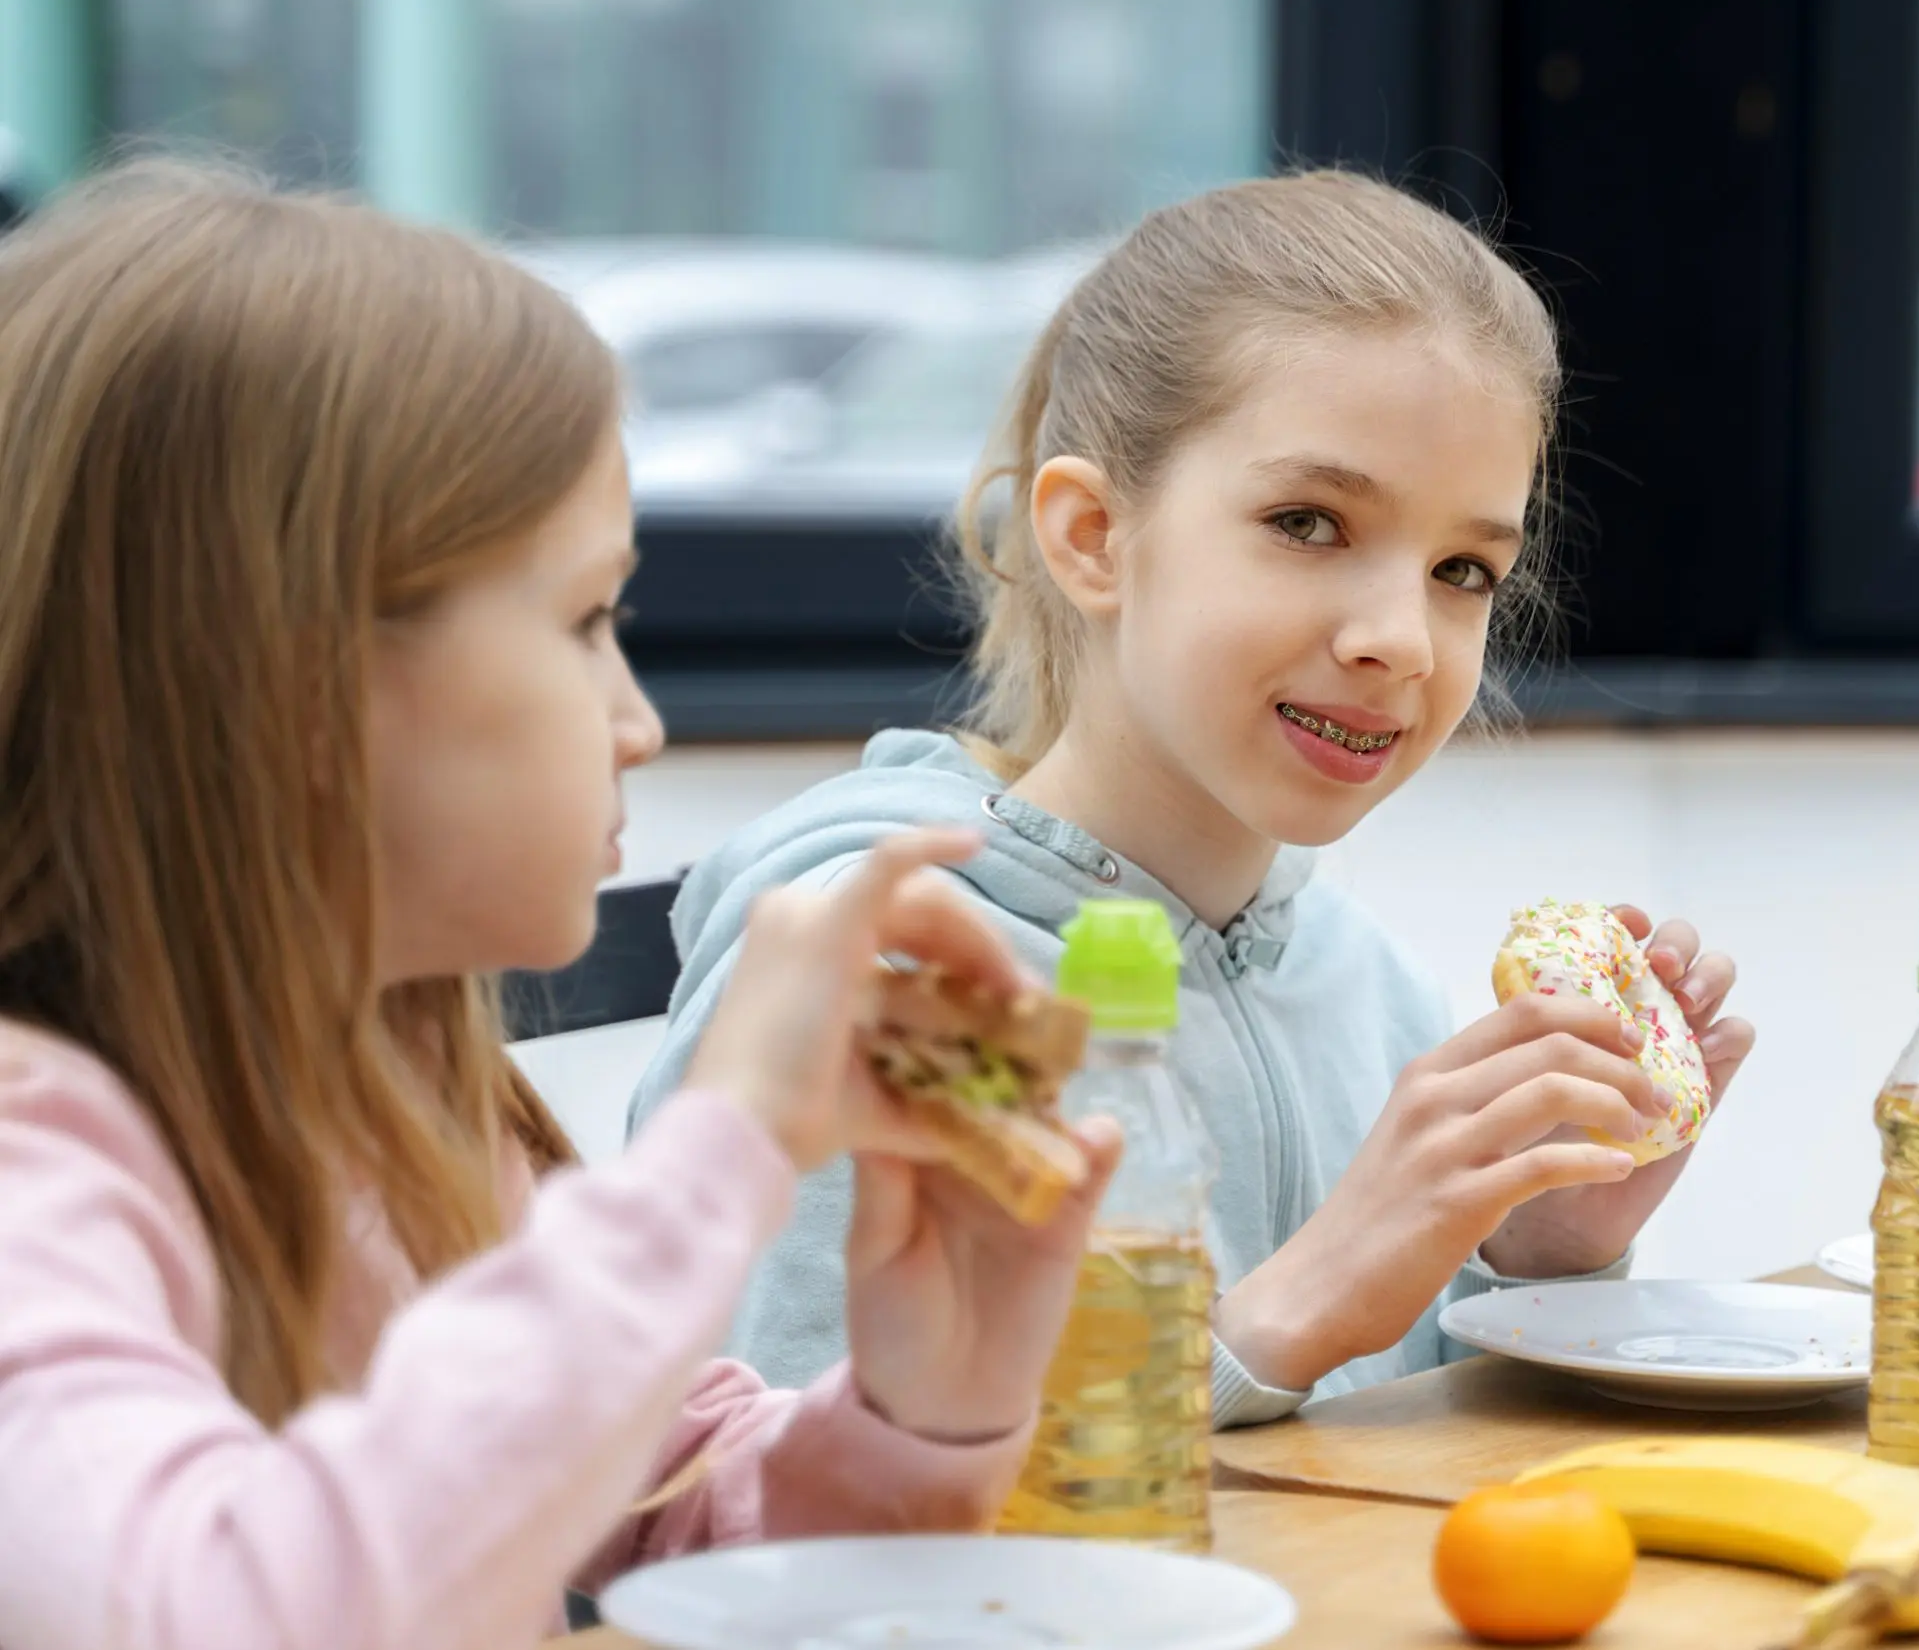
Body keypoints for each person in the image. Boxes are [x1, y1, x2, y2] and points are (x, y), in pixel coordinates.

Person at [0, 161, 1120, 1650]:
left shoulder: (387, 1095)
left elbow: (686, 1509)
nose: (635, 718)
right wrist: (724, 1147)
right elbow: (222, 1606)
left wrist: (931, 1390)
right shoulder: (31, 1163)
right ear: (292, 685)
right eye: (588, 619)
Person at [627, 170, 1757, 1428]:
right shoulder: (886, 973)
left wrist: (1541, 1256)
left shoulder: (1364, 984)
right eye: (1308, 521)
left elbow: (1374, 1471)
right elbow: (760, 1523)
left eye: (1461, 568)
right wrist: (1277, 1321)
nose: (1403, 637)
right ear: (1095, 536)